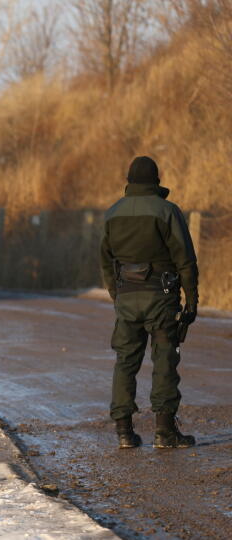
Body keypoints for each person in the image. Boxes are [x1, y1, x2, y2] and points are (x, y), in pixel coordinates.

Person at [100, 156, 198, 449]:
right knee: (165, 359)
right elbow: (186, 260)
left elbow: (105, 262)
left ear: (128, 182)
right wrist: (191, 301)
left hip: (126, 296)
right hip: (161, 297)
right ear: (157, 181)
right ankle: (165, 432)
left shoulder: (112, 214)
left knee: (125, 362)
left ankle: (124, 433)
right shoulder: (167, 211)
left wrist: (117, 296)